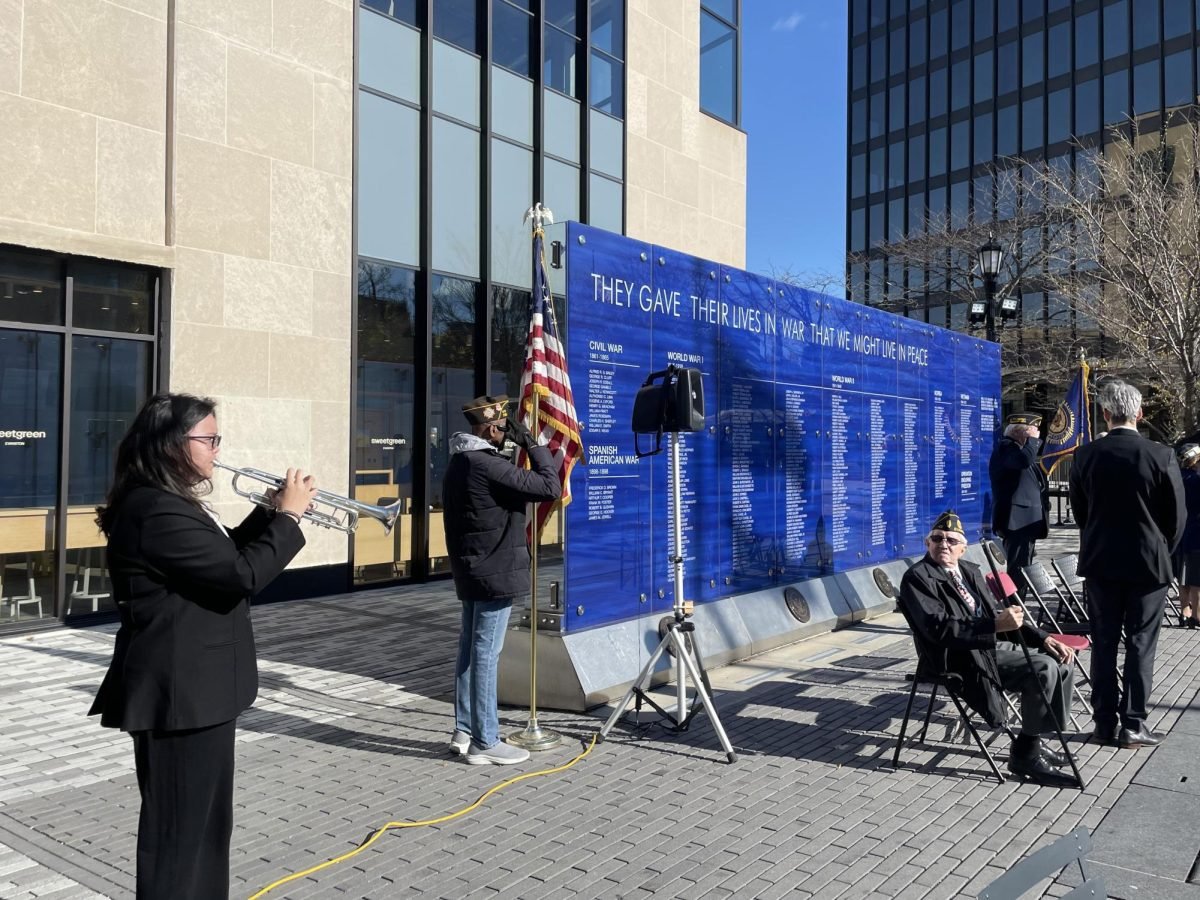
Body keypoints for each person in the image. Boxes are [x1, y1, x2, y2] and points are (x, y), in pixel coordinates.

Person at [89, 393, 317, 899]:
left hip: (201, 693)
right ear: (172, 443)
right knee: (179, 838)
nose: (217, 449)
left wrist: (270, 512)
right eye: (208, 439)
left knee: (208, 831)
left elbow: (223, 555)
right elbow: (241, 575)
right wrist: (289, 520)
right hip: (180, 695)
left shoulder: (173, 502)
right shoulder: (155, 508)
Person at [899, 511, 1077, 787]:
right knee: (1043, 669)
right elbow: (940, 630)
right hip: (956, 657)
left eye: (950, 540)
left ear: (962, 547)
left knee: (1061, 659)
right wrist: (993, 626)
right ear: (927, 543)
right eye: (936, 538)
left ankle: (1031, 743)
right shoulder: (918, 578)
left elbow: (998, 615)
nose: (943, 544)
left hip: (986, 646)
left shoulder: (969, 570)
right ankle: (1026, 754)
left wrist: (1042, 638)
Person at [442, 394, 561, 765]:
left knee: (468, 650)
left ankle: (465, 728)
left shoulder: (460, 462)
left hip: (473, 569)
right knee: (485, 653)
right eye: (502, 429)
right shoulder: (485, 464)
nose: (505, 436)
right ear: (492, 428)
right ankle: (486, 740)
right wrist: (533, 443)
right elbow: (549, 487)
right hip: (495, 571)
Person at [1069, 380, 1186, 748]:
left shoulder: (1085, 455)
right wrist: (1161, 548)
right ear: (1140, 413)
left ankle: (1103, 722)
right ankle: (1133, 723)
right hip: (1148, 565)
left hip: (1101, 561)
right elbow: (1176, 518)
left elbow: (1080, 512)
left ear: (1105, 413)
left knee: (1103, 643)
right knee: (1141, 645)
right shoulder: (1161, 454)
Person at [988, 412, 1049, 594]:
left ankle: (1020, 607)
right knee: (1017, 569)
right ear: (1020, 432)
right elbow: (1023, 461)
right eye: (1033, 431)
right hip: (1016, 521)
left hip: (1025, 522)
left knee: (1024, 568)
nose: (1038, 435)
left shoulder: (1018, 450)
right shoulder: (1006, 448)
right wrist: (1032, 442)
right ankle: (1015, 608)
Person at [1176, 443, 1200, 628]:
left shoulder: (1175, 478)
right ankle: (1197, 615)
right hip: (1196, 532)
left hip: (1178, 533)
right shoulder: (1197, 480)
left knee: (1182, 576)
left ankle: (1184, 611)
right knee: (1196, 578)